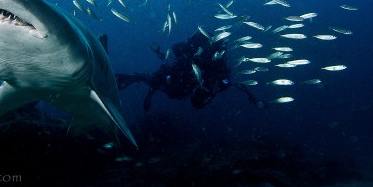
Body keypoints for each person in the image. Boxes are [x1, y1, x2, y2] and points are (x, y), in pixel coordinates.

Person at [114, 31, 267, 111]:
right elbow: (236, 83)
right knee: (170, 85)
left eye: (199, 95)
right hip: (185, 68)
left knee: (175, 91)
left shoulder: (207, 81)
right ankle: (136, 77)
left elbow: (235, 83)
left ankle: (136, 77)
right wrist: (252, 98)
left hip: (186, 73)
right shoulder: (217, 77)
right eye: (204, 96)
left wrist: (149, 97)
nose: (203, 93)